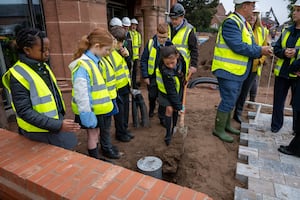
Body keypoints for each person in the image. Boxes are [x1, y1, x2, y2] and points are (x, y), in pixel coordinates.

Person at [2, 28, 79, 150]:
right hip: (38, 131)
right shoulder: (17, 74)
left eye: (48, 49)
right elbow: (24, 111)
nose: (47, 53)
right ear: (27, 50)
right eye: (43, 50)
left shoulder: (42, 66)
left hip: (51, 125)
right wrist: (58, 125)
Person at [211, 0, 273, 143]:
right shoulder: (232, 22)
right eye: (252, 5)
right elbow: (238, 46)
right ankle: (218, 129)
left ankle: (226, 125)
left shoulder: (243, 23)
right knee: (228, 99)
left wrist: (261, 49)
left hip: (236, 71)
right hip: (227, 70)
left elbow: (247, 44)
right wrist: (260, 50)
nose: (253, 8)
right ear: (244, 6)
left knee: (232, 99)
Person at [69, 28, 120, 159]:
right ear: (97, 46)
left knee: (95, 134)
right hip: (91, 110)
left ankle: (96, 156)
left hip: (96, 109)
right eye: (106, 49)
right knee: (92, 135)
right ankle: (94, 160)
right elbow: (82, 94)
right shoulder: (83, 65)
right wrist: (87, 114)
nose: (108, 53)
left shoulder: (93, 61)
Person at [233, 7, 269, 123]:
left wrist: (260, 60)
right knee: (235, 91)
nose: (253, 17)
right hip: (241, 65)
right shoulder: (241, 27)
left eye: (255, 15)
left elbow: (266, 48)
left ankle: (238, 113)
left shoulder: (263, 31)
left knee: (244, 92)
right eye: (251, 14)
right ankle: (229, 111)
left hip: (253, 67)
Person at [271, 0, 300, 133]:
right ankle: (275, 126)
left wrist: (297, 52)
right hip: (282, 73)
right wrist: (283, 52)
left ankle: (296, 130)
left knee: (297, 105)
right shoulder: (287, 30)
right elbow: (276, 48)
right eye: (294, 10)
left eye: (298, 10)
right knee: (278, 102)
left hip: (297, 75)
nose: (294, 13)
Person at [141, 23, 172, 126]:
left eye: (164, 37)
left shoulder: (170, 45)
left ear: (168, 35)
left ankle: (162, 117)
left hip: (164, 77)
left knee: (163, 98)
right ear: (156, 33)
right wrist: (145, 76)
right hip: (152, 77)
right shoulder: (150, 44)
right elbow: (144, 60)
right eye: (159, 37)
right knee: (152, 96)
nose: (162, 40)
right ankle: (151, 109)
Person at [156, 45, 186, 145]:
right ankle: (168, 134)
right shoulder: (165, 71)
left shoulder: (181, 59)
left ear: (177, 56)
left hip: (178, 88)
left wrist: (184, 78)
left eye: (172, 63)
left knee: (176, 109)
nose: (171, 66)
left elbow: (183, 68)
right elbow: (171, 91)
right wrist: (179, 106)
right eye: (167, 63)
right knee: (170, 109)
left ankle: (174, 127)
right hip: (165, 91)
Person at [109, 26, 134, 142]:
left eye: (122, 41)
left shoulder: (122, 50)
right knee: (119, 113)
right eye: (118, 41)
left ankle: (124, 129)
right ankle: (120, 133)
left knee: (125, 111)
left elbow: (129, 67)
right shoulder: (109, 54)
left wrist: (127, 57)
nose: (120, 44)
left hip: (125, 85)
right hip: (116, 88)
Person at [168, 3, 198, 75]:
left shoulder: (189, 30)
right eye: (172, 19)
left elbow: (194, 49)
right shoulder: (167, 27)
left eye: (176, 19)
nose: (173, 21)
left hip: (181, 67)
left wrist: (193, 66)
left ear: (182, 17)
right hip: (167, 64)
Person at [129, 18, 142, 89]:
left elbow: (139, 46)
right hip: (129, 56)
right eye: (132, 25)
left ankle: (134, 85)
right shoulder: (128, 33)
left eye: (135, 25)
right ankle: (129, 86)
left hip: (136, 57)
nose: (134, 26)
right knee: (129, 72)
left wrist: (138, 55)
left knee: (135, 72)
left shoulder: (138, 35)